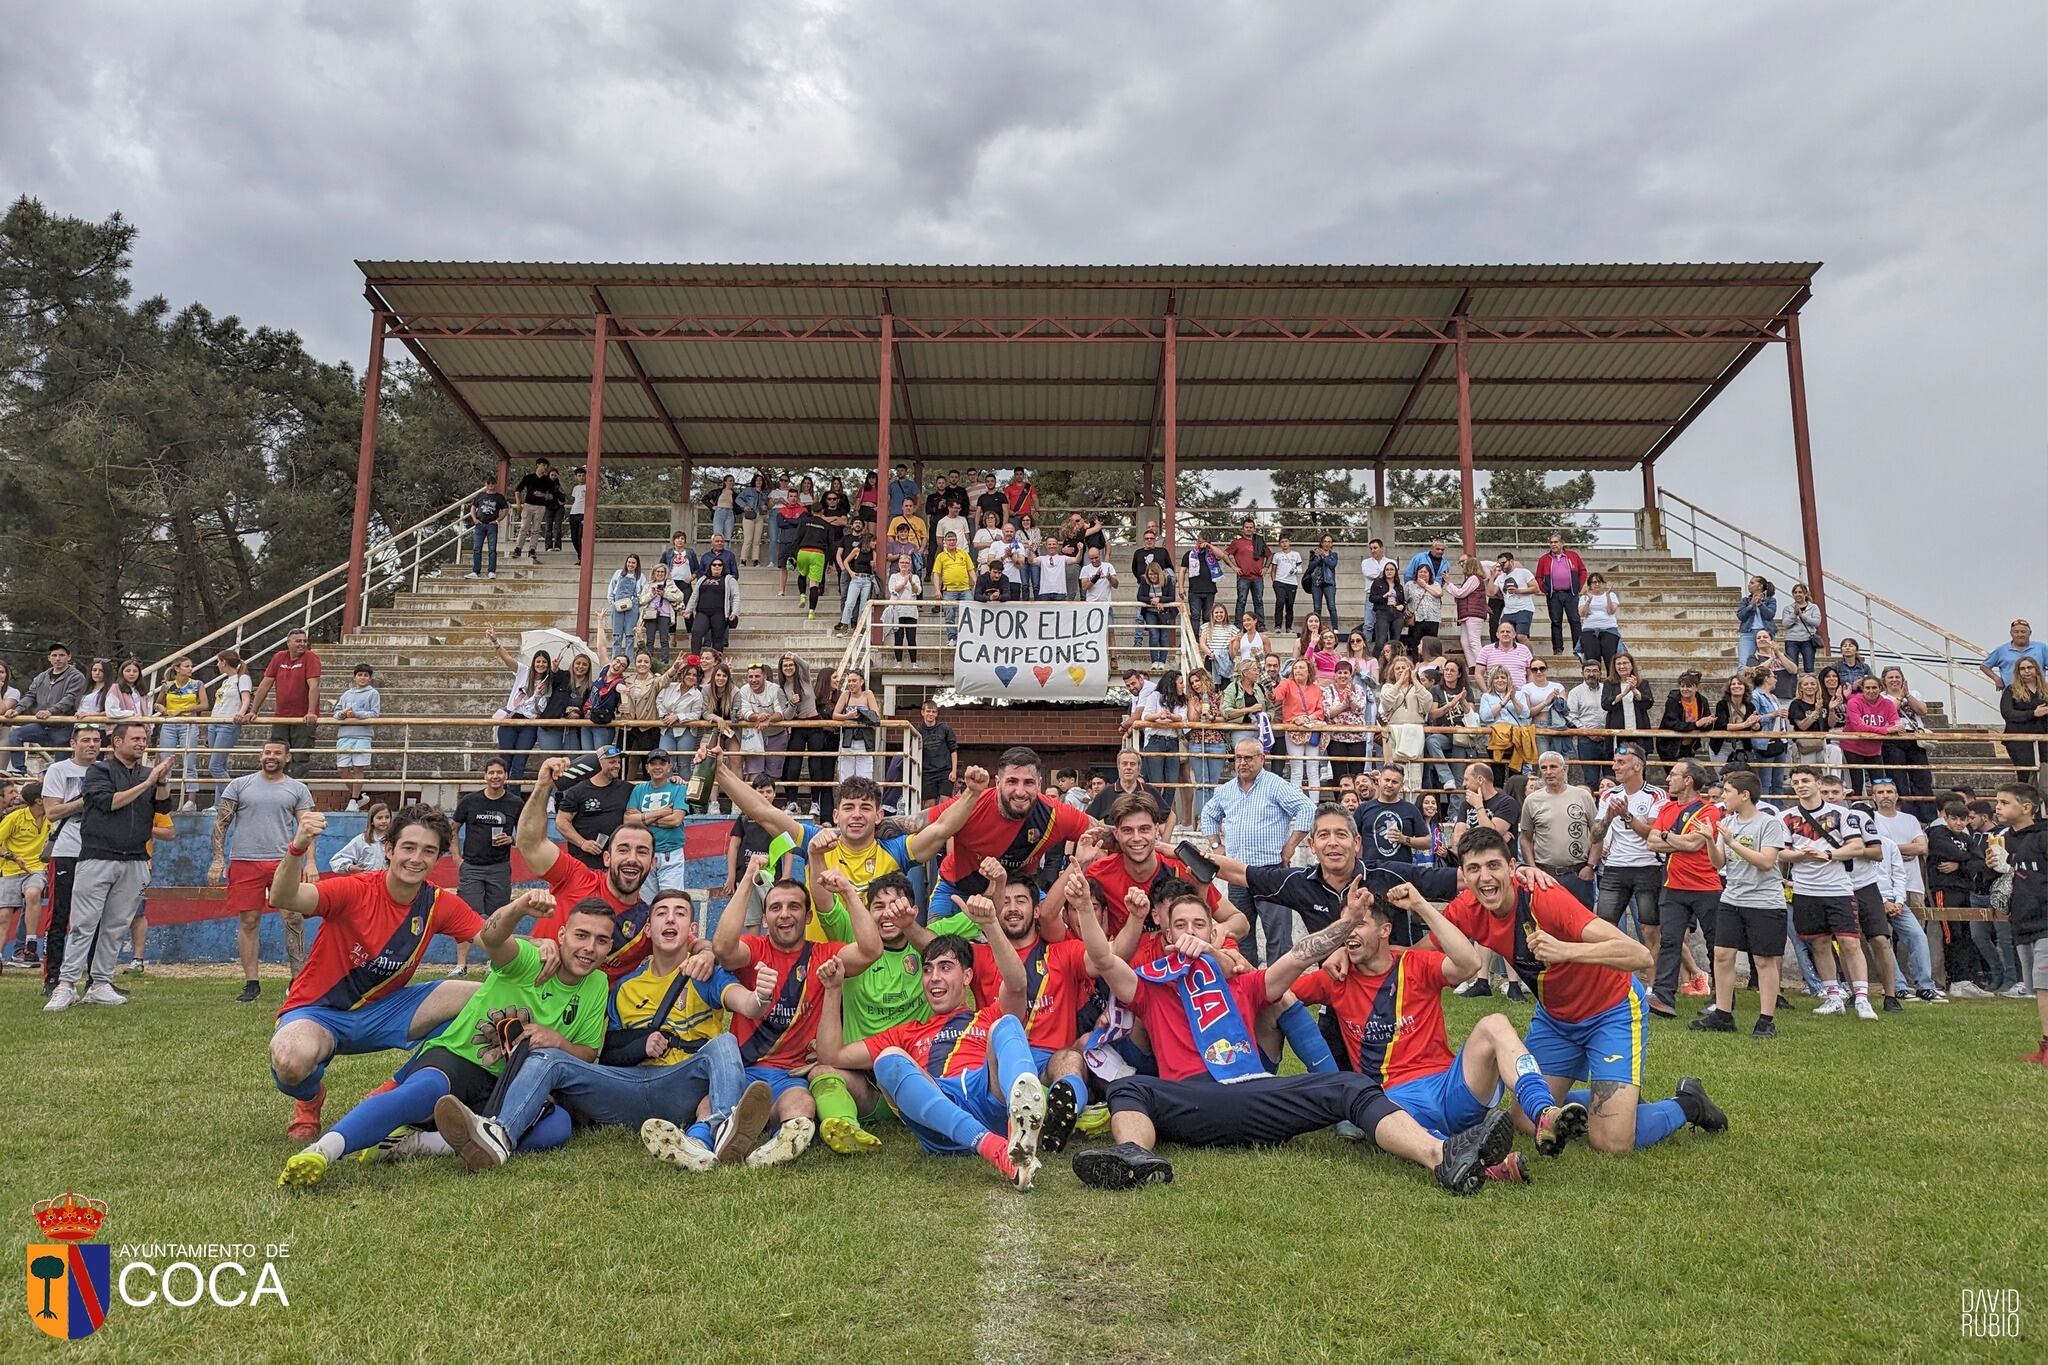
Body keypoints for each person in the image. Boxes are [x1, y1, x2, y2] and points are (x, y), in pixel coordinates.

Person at [1067, 884, 1516, 1194]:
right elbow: (1104, 960)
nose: (1188, 933)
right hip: (1188, 1102)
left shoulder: (1243, 984)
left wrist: (1349, 924)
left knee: (1352, 1086)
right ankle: (1133, 1159)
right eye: (1179, 925)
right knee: (1129, 1088)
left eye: (1198, 925)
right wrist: (1086, 908)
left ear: (1215, 933)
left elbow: (1304, 955)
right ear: (1166, 935)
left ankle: (1442, 1157)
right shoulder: (1151, 988)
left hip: (1255, 1095)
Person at [276, 886, 606, 1188]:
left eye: (601, 940)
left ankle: (421, 1143)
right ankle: (323, 1150)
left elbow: (588, 1053)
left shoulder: (597, 985)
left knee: (557, 1128)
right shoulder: (531, 961)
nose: (589, 948)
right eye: (581, 935)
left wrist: (558, 1041)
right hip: (459, 1060)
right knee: (421, 1091)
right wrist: (518, 908)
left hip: (512, 1083)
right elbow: (492, 939)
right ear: (561, 935)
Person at [1432, 829, 1726, 1154]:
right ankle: (1613, 1098)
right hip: (1556, 1019)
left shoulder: (1543, 897)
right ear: (1464, 874)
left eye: (1493, 866)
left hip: (1611, 1010)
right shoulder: (1466, 908)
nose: (1485, 878)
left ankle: (1687, 1103)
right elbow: (1420, 955)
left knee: (1611, 1143)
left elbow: (1638, 955)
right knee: (1526, 1120)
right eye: (1474, 869)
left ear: (1512, 867)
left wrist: (1566, 950)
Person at [445, 889, 775, 1175]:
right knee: (549, 1057)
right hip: (627, 1086)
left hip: (681, 1085)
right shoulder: (623, 986)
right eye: (661, 913)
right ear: (648, 927)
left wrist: (759, 996)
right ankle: (499, 1136)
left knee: (724, 1042)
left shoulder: (705, 971)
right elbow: (606, 1052)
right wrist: (642, 1046)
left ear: (692, 929)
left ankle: (719, 1132)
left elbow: (747, 1005)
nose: (670, 920)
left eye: (679, 914)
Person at [1300, 880, 1588, 1173]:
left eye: (1358, 925)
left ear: (1384, 931)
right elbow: (1277, 990)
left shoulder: (1414, 964)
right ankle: (1485, 1166)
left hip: (1451, 1089)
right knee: (1377, 1115)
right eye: (1345, 926)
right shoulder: (1335, 977)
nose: (1349, 934)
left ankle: (1543, 1112)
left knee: (1495, 1024)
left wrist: (1422, 906)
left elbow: (1469, 963)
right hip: (1395, 1101)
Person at [260, 805, 484, 1138]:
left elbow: (494, 940)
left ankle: (397, 1088)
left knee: (484, 997)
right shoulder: (356, 889)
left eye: (428, 851)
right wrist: (299, 847)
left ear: (438, 859)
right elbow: (283, 896)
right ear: (389, 850)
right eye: (408, 847)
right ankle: (309, 1100)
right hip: (319, 1011)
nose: (416, 858)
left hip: (384, 1012)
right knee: (292, 1062)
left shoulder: (438, 903)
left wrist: (546, 945)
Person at [812, 891, 1053, 1188]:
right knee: (889, 1058)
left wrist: (991, 924)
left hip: (987, 1097)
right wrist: (833, 989)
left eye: (945, 967)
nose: (934, 977)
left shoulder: (985, 1016)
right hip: (940, 1118)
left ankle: (1022, 1115)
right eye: (927, 970)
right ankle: (995, 1148)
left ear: (967, 977)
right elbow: (831, 1055)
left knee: (1007, 1024)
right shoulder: (908, 1031)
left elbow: (1016, 984)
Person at [710, 872, 885, 1166]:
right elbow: (723, 947)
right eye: (775, 907)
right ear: (765, 918)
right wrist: (746, 881)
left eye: (794, 907)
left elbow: (871, 949)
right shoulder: (754, 950)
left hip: (790, 1075)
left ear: (807, 916)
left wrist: (847, 891)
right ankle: (699, 1144)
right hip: (744, 1068)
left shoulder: (824, 955)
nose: (784, 914)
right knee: (706, 1105)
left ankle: (771, 1146)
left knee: (803, 1106)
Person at [44, 722, 172, 1013]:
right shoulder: (98, 772)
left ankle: (100, 982)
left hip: (135, 859)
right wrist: (148, 782)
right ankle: (65, 985)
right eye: (136, 738)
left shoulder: (145, 774)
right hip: (98, 857)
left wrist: (161, 783)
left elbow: (163, 810)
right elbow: (108, 803)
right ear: (117, 742)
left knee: (115, 926)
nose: (142, 743)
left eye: (145, 739)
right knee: (83, 924)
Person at [927, 747, 1096, 913]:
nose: (1020, 792)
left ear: (1039, 784)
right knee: (935, 939)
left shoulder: (1054, 813)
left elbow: (1111, 834)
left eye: (1028, 782)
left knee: (1053, 925)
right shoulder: (972, 804)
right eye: (1012, 781)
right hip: (956, 887)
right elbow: (914, 824)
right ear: (998, 783)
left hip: (1017, 894)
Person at [209, 738, 315, 1002]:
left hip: (285, 862)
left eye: (277, 753)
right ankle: (251, 983)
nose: (271, 756)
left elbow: (308, 828)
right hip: (245, 862)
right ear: (260, 755)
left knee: (293, 919)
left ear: (287, 758)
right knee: (248, 921)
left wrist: (310, 863)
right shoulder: (239, 785)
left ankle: (297, 980)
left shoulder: (297, 788)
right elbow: (221, 823)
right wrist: (217, 859)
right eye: (267, 752)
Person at [1197, 738, 1315, 963]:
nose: (1243, 763)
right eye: (1239, 758)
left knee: (1278, 938)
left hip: (1271, 872)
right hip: (1237, 874)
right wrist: (1216, 845)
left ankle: (1279, 993)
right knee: (1240, 935)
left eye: (1249, 758)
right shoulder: (1226, 790)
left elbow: (1307, 809)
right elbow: (1208, 814)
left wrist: (1290, 847)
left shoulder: (1276, 785)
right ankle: (1246, 988)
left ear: (1262, 759)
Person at [1690, 771, 1790, 1037]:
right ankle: (1723, 1014)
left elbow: (1767, 862)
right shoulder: (1727, 822)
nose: (1723, 797)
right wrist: (1711, 840)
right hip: (1732, 897)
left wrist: (1732, 842)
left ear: (1744, 795)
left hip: (1764, 901)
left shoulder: (1768, 823)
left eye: (1728, 792)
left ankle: (1766, 1020)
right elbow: (1718, 864)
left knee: (1764, 960)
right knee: (1722, 954)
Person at [1780, 765, 1879, 1020]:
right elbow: (1781, 851)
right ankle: (1833, 995)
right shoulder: (1787, 817)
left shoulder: (1842, 814)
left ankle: (1862, 997)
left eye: (1805, 780)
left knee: (1850, 942)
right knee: (1819, 943)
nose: (1801, 785)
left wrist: (1828, 854)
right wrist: (1800, 854)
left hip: (1837, 888)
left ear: (1817, 783)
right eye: (1796, 781)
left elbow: (1856, 846)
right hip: (1805, 889)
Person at [1644, 759, 1722, 1017]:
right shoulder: (1666, 808)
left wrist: (1667, 837)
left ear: (1688, 780)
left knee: (1716, 944)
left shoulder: (1708, 811)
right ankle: (1664, 998)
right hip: (1673, 886)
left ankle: (1722, 1000)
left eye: (1674, 775)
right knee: (1670, 941)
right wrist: (1674, 840)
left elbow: (1694, 845)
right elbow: (1652, 842)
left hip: (1705, 886)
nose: (1668, 779)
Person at [29, 726, 98, 991]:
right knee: (59, 915)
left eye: (95, 741)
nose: (91, 745)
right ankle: (53, 977)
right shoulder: (58, 771)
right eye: (86, 740)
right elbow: (53, 812)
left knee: (97, 917)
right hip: (67, 850)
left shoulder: (104, 770)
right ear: (73, 743)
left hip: (97, 851)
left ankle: (96, 979)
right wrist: (86, 800)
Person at [1984, 783, 2048, 1065]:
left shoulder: (2043, 837)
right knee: (2037, 988)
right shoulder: (2002, 840)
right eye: (1997, 802)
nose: (1998, 807)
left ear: (2027, 807)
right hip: (2022, 922)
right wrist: (1994, 869)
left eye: (2004, 802)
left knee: (2046, 987)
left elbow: (2033, 879)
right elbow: (2000, 882)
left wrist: (2013, 868)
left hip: (2046, 920)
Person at [1590, 746, 1666, 959]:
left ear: (1637, 765)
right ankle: (1611, 985)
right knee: (1604, 928)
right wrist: (1608, 818)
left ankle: (1653, 987)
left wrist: (1627, 816)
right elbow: (1595, 836)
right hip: (1615, 866)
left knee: (1650, 930)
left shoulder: (1655, 794)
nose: (1615, 766)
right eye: (1615, 761)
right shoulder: (1609, 794)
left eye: (1621, 762)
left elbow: (1653, 834)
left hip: (1647, 866)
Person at [1518, 751, 1597, 908]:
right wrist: (1533, 868)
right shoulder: (1532, 801)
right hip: (1545, 873)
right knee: (1547, 925)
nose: (1548, 772)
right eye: (1544, 768)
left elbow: (1597, 834)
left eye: (1553, 767)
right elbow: (1525, 837)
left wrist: (1591, 866)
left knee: (1581, 928)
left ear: (1564, 769)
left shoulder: (1582, 796)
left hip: (1578, 873)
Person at [249, 629, 321, 777]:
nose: (302, 644)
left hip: (302, 718)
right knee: (277, 754)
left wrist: (311, 712)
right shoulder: (279, 657)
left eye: (304, 641)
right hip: (281, 717)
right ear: (288, 643)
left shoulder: (311, 657)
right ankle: (275, 788)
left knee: (300, 757)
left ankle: (297, 793)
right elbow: (264, 685)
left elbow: (314, 685)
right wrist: (253, 710)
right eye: (298, 641)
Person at [7, 643, 88, 771]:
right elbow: (30, 695)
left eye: (62, 655)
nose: (58, 658)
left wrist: (50, 711)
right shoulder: (41, 677)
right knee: (16, 735)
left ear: (69, 657)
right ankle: (19, 771)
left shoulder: (77, 677)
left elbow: (70, 698)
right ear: (49, 658)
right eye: (54, 655)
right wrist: (17, 709)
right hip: (41, 724)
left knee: (61, 767)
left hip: (64, 727)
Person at [555, 745, 633, 872]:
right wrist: (583, 843)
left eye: (619, 762)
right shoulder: (578, 791)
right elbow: (561, 822)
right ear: (598, 763)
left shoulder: (627, 788)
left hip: (616, 863)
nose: (618, 765)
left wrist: (673, 780)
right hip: (584, 863)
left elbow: (650, 790)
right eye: (612, 762)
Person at [0, 782, 50, 972]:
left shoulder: (51, 817)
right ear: (39, 801)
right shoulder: (15, 818)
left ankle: (30, 945)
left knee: (32, 892)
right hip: (11, 869)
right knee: (3, 916)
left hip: (36, 868)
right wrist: (12, 857)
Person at [153, 656, 206, 812]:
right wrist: (162, 709)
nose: (190, 669)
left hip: (188, 724)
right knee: (165, 760)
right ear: (177, 668)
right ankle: (164, 796)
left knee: (189, 761)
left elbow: (204, 704)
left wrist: (183, 710)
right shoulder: (168, 685)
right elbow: (158, 703)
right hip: (169, 724)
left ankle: (191, 801)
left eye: (191, 666)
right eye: (187, 666)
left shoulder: (197, 684)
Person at [330, 664, 381, 807]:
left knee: (359, 767)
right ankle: (358, 797)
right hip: (345, 735)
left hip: (362, 735)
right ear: (354, 677)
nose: (362, 678)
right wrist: (343, 714)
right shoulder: (347, 694)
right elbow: (336, 713)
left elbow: (374, 714)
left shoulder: (373, 693)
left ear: (370, 678)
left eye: (365, 675)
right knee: (342, 768)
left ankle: (353, 799)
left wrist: (357, 714)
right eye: (360, 675)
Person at [206, 648, 253, 794]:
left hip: (228, 724)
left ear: (224, 662)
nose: (217, 665)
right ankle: (219, 803)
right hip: (215, 722)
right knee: (221, 765)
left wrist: (240, 713)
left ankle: (233, 798)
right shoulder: (226, 681)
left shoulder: (242, 678)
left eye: (218, 662)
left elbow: (246, 699)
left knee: (215, 766)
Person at [1534, 534, 1587, 656]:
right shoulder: (1544, 559)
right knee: (1556, 622)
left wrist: (1578, 586)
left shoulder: (1573, 556)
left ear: (1562, 543)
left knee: (1575, 620)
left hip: (1571, 594)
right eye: (1551, 542)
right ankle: (1557, 649)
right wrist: (1545, 589)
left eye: (1556, 542)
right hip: (1554, 595)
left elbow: (1582, 571)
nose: (1553, 544)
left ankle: (1578, 648)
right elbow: (1538, 576)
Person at [1086, 748, 1167, 824]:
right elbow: (1087, 819)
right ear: (1119, 767)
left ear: (1138, 768)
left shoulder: (1149, 791)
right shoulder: (1106, 793)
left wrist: (1164, 839)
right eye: (1124, 764)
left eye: (1132, 764)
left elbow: (1170, 817)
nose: (1128, 767)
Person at [1999, 656, 2048, 781]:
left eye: (2029, 667)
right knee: (2026, 775)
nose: (2026, 671)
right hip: (2019, 739)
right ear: (2018, 672)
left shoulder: (2046, 689)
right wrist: (2033, 713)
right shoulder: (2011, 690)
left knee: (2045, 774)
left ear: (2036, 669)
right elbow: (2008, 713)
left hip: (2044, 737)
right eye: (2022, 669)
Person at [509, 458, 558, 562]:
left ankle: (532, 549)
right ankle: (518, 548)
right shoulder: (529, 477)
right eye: (543, 465)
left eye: (546, 466)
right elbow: (518, 490)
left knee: (536, 529)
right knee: (524, 527)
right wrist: (518, 503)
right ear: (538, 465)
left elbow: (552, 496)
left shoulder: (548, 481)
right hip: (528, 505)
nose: (545, 467)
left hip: (540, 507)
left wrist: (543, 495)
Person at [1981, 618, 2048, 690]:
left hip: (2038, 692)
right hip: (2012, 694)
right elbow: (1984, 666)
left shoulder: (2041, 648)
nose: (2020, 634)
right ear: (2011, 633)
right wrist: (1997, 679)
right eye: (2016, 632)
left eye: (2023, 632)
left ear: (2030, 633)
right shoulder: (2001, 650)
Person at [1225, 517, 1269, 623]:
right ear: (1242, 529)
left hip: (1257, 577)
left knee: (1258, 602)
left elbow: (1270, 555)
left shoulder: (1259, 541)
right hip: (1243, 577)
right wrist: (1233, 567)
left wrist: (1266, 567)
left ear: (1254, 529)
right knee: (1241, 601)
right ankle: (1238, 624)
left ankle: (1261, 624)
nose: (1249, 529)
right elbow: (1225, 554)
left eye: (1251, 527)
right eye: (1246, 527)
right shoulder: (1237, 542)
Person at [331, 802, 392, 874]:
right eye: (379, 818)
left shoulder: (395, 840)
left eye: (387, 817)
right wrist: (349, 867)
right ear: (372, 821)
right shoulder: (362, 840)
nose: (384, 821)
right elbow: (336, 860)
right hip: (365, 881)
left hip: (386, 882)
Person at [1475, 621, 1534, 690]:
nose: (1505, 634)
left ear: (1514, 634)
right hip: (1494, 695)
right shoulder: (1486, 650)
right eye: (1502, 632)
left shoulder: (1524, 650)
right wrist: (1487, 693)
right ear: (1497, 635)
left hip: (1519, 694)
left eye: (1508, 632)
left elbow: (1531, 674)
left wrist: (1528, 692)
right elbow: (1478, 674)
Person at [466, 482, 508, 578]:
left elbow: (505, 509)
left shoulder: (499, 497)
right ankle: (476, 571)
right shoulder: (480, 495)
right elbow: (473, 507)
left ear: (495, 484)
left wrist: (497, 520)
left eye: (493, 483)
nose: (491, 485)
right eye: (488, 483)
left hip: (492, 525)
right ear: (486, 484)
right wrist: (474, 519)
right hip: (480, 524)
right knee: (477, 548)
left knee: (492, 549)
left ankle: (492, 571)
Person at [1735, 575, 1778, 667]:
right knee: (1743, 662)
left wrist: (1760, 604)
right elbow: (1740, 616)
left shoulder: (1770, 600)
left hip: (1766, 633)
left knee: (1770, 659)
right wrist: (1751, 605)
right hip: (1748, 633)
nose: (1749, 585)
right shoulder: (1745, 600)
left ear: (1760, 586)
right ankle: (1742, 681)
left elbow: (1770, 615)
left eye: (1752, 583)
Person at [1305, 534, 1340, 630]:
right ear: (1321, 543)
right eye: (1325, 541)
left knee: (1332, 606)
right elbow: (1310, 567)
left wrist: (1323, 556)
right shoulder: (1314, 554)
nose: (1327, 544)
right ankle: (1316, 628)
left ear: (1332, 544)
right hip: (1316, 583)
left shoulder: (1333, 555)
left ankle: (1335, 628)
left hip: (1329, 583)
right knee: (1317, 607)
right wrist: (1317, 557)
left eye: (1329, 542)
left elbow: (1332, 565)